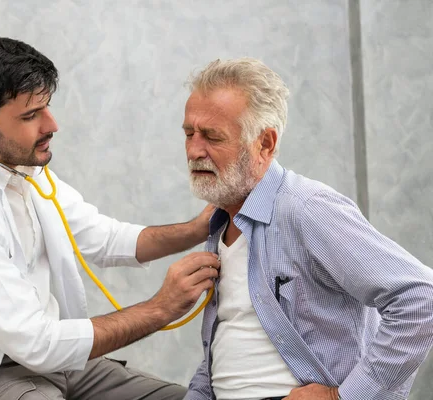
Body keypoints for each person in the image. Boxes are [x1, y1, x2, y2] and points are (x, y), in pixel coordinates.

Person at [0, 37, 220, 400]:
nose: (52, 124)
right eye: (31, 115)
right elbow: (36, 342)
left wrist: (198, 228)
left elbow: (107, 239)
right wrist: (160, 308)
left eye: (47, 107)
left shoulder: (25, 172)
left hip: (55, 363)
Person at [182, 57, 433, 400]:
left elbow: (420, 299)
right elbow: (229, 348)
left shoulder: (306, 209)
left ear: (265, 144)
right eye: (189, 133)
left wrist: (342, 397)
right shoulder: (220, 225)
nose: (194, 150)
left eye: (212, 136)